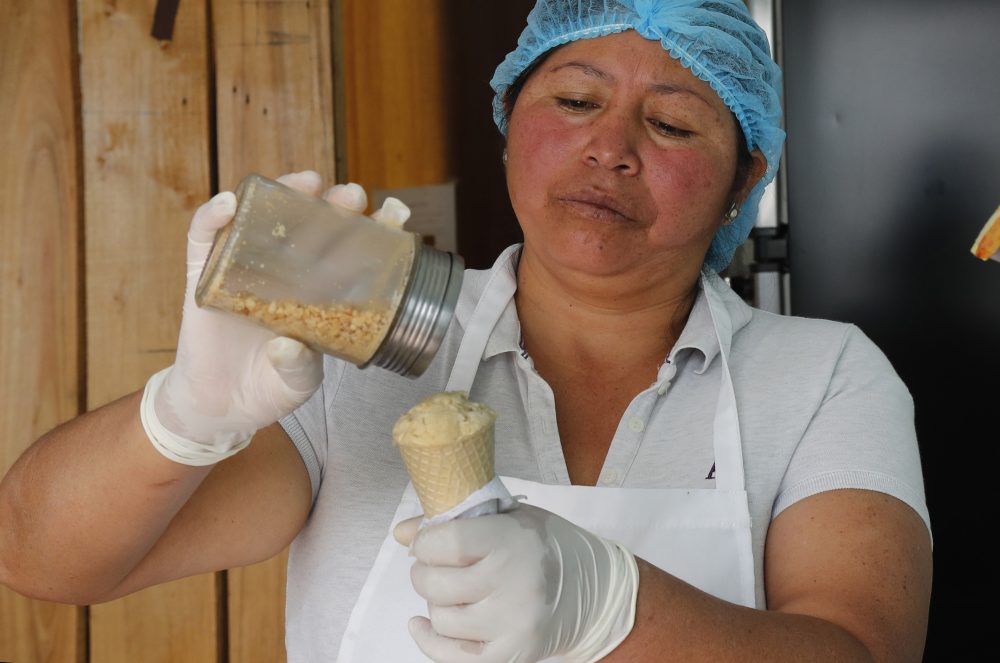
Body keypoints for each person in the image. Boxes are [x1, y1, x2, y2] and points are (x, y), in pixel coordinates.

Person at [0, 0, 932, 661]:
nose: (611, 145)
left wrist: (611, 607)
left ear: (743, 176)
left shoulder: (825, 376)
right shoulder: (363, 356)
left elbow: (858, 649)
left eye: (674, 124)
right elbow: (40, 560)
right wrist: (187, 413)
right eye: (574, 101)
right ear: (509, 121)